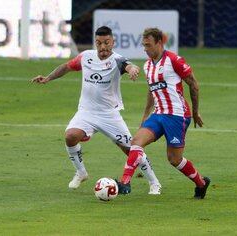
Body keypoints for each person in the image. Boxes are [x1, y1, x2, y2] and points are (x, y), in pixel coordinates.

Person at [31, 26, 162, 194]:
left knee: (132, 150)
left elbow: (127, 65)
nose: (103, 47)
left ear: (113, 42)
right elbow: (66, 66)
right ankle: (81, 172)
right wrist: (48, 78)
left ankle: (154, 182)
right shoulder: (86, 57)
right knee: (70, 136)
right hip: (86, 112)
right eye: (99, 43)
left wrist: (133, 69)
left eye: (106, 43)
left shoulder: (117, 59)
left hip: (109, 115)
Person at [116, 28, 210, 199]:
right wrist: (146, 115)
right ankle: (125, 182)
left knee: (174, 159)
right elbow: (152, 90)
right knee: (136, 141)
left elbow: (194, 85)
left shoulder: (174, 60)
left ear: (159, 43)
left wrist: (195, 113)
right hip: (159, 115)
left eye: (148, 45)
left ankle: (201, 183)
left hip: (177, 116)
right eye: (143, 45)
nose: (145, 49)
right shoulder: (147, 65)